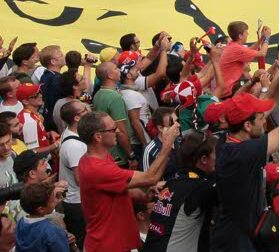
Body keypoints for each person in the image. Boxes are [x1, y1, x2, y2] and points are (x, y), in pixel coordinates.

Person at [211, 44, 279, 252]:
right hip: (237, 245)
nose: (265, 120)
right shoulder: (241, 153)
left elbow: (269, 101)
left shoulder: (232, 140)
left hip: (238, 236)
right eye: (260, 118)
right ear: (247, 125)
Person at [77, 110, 180, 252]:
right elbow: (150, 177)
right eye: (113, 129)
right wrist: (167, 144)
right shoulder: (97, 168)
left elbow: (118, 189)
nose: (118, 131)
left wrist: (143, 194)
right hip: (108, 246)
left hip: (115, 242)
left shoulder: (99, 158)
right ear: (98, 136)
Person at [142, 131, 218, 252]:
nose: (219, 157)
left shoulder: (171, 182)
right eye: (216, 153)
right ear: (204, 159)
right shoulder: (201, 188)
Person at [92, 61, 137, 167]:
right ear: (110, 75)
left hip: (106, 151)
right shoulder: (114, 97)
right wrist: (131, 155)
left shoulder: (98, 94)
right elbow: (120, 131)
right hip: (118, 155)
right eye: (116, 68)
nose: (119, 70)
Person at [58, 100, 88, 251]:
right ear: (76, 118)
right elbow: (79, 179)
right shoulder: (74, 145)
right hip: (77, 203)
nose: (88, 111)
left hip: (77, 201)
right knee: (84, 242)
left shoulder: (70, 133)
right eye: (84, 110)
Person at [15, 181, 72, 252]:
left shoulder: (20, 223)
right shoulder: (53, 231)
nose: (56, 200)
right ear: (41, 209)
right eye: (53, 199)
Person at [218, 20, 270, 98]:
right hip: (229, 90)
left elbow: (251, 50)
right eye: (246, 32)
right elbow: (262, 53)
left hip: (227, 87)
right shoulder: (236, 48)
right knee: (258, 86)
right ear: (240, 36)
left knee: (260, 75)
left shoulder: (232, 45)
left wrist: (262, 37)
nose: (248, 34)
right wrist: (267, 38)